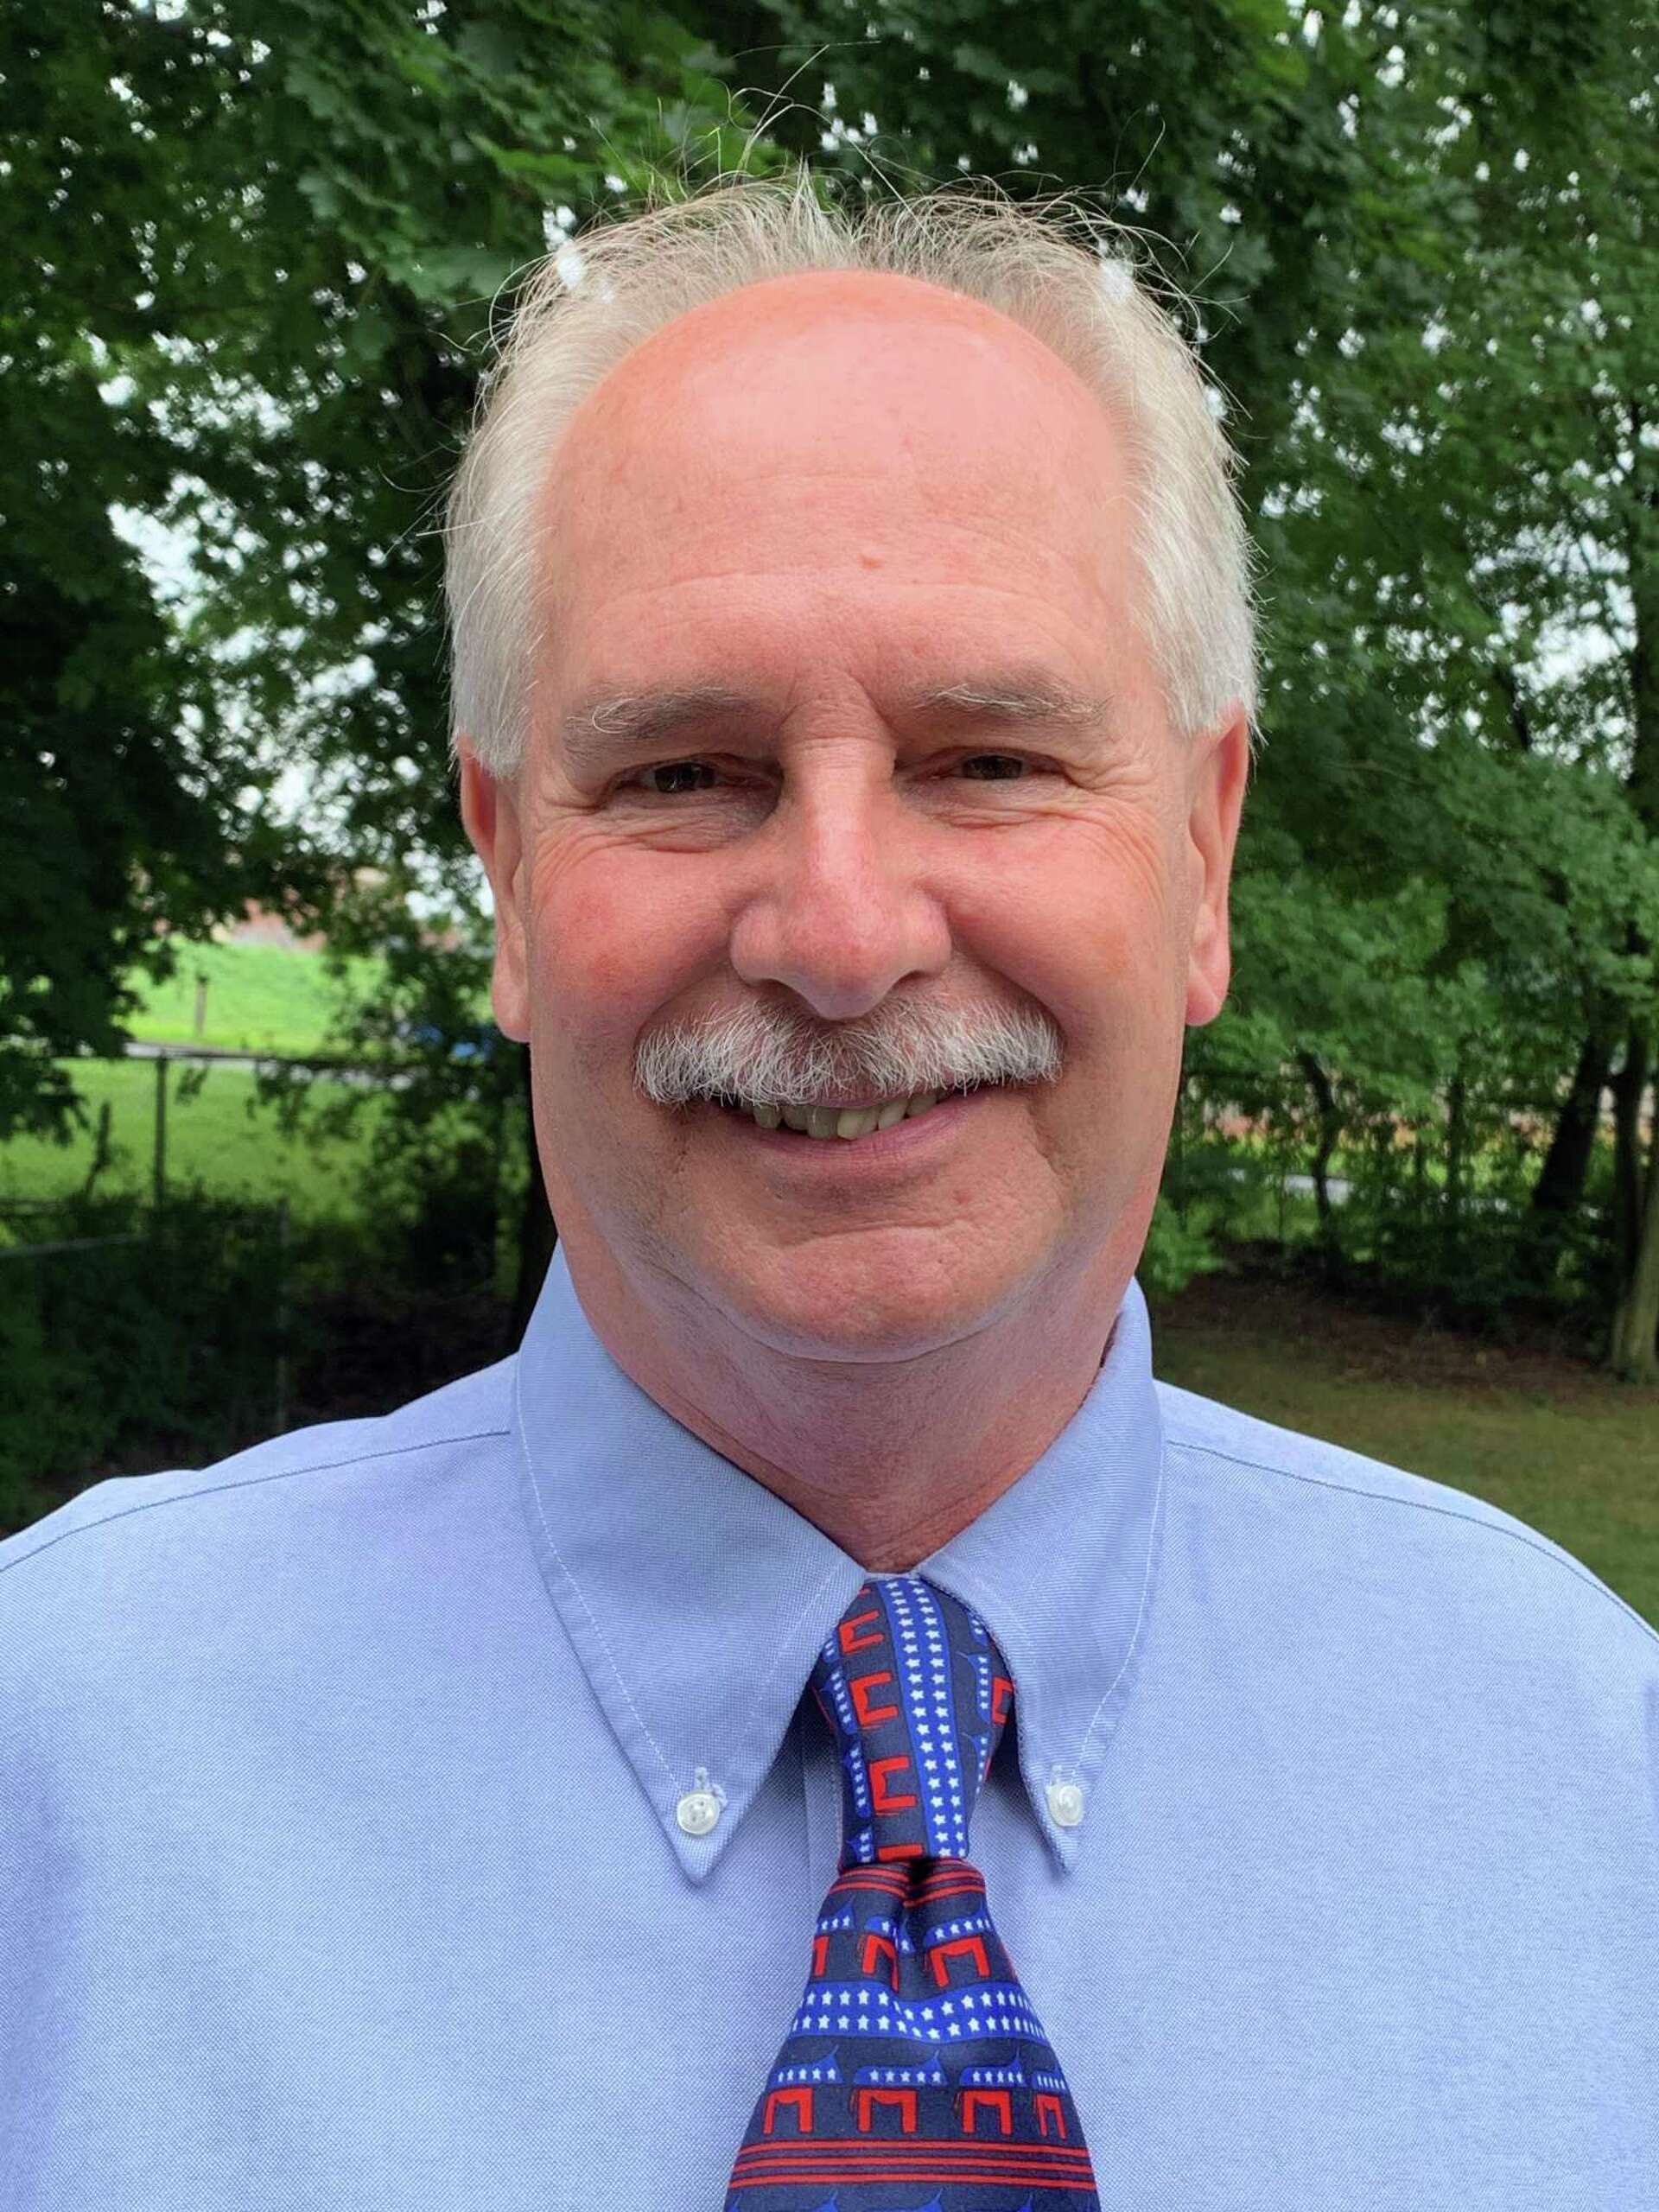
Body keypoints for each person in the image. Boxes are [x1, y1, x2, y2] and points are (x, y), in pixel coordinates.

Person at [2, 179, 1655, 2212]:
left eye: (990, 759)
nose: (845, 933)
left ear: (1203, 857)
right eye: (686, 773)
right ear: (509, 872)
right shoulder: (55, 1762)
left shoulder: (1595, 1772)